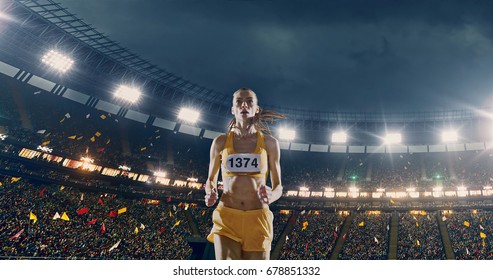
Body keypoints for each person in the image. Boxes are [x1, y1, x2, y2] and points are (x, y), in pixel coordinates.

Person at [204, 88, 285, 260]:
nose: (244, 105)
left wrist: (272, 196)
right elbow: (210, 179)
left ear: (256, 109)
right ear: (233, 109)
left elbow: (278, 187)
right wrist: (210, 192)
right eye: (239, 101)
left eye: (249, 101)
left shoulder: (270, 143)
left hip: (258, 219)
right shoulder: (220, 142)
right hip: (227, 217)